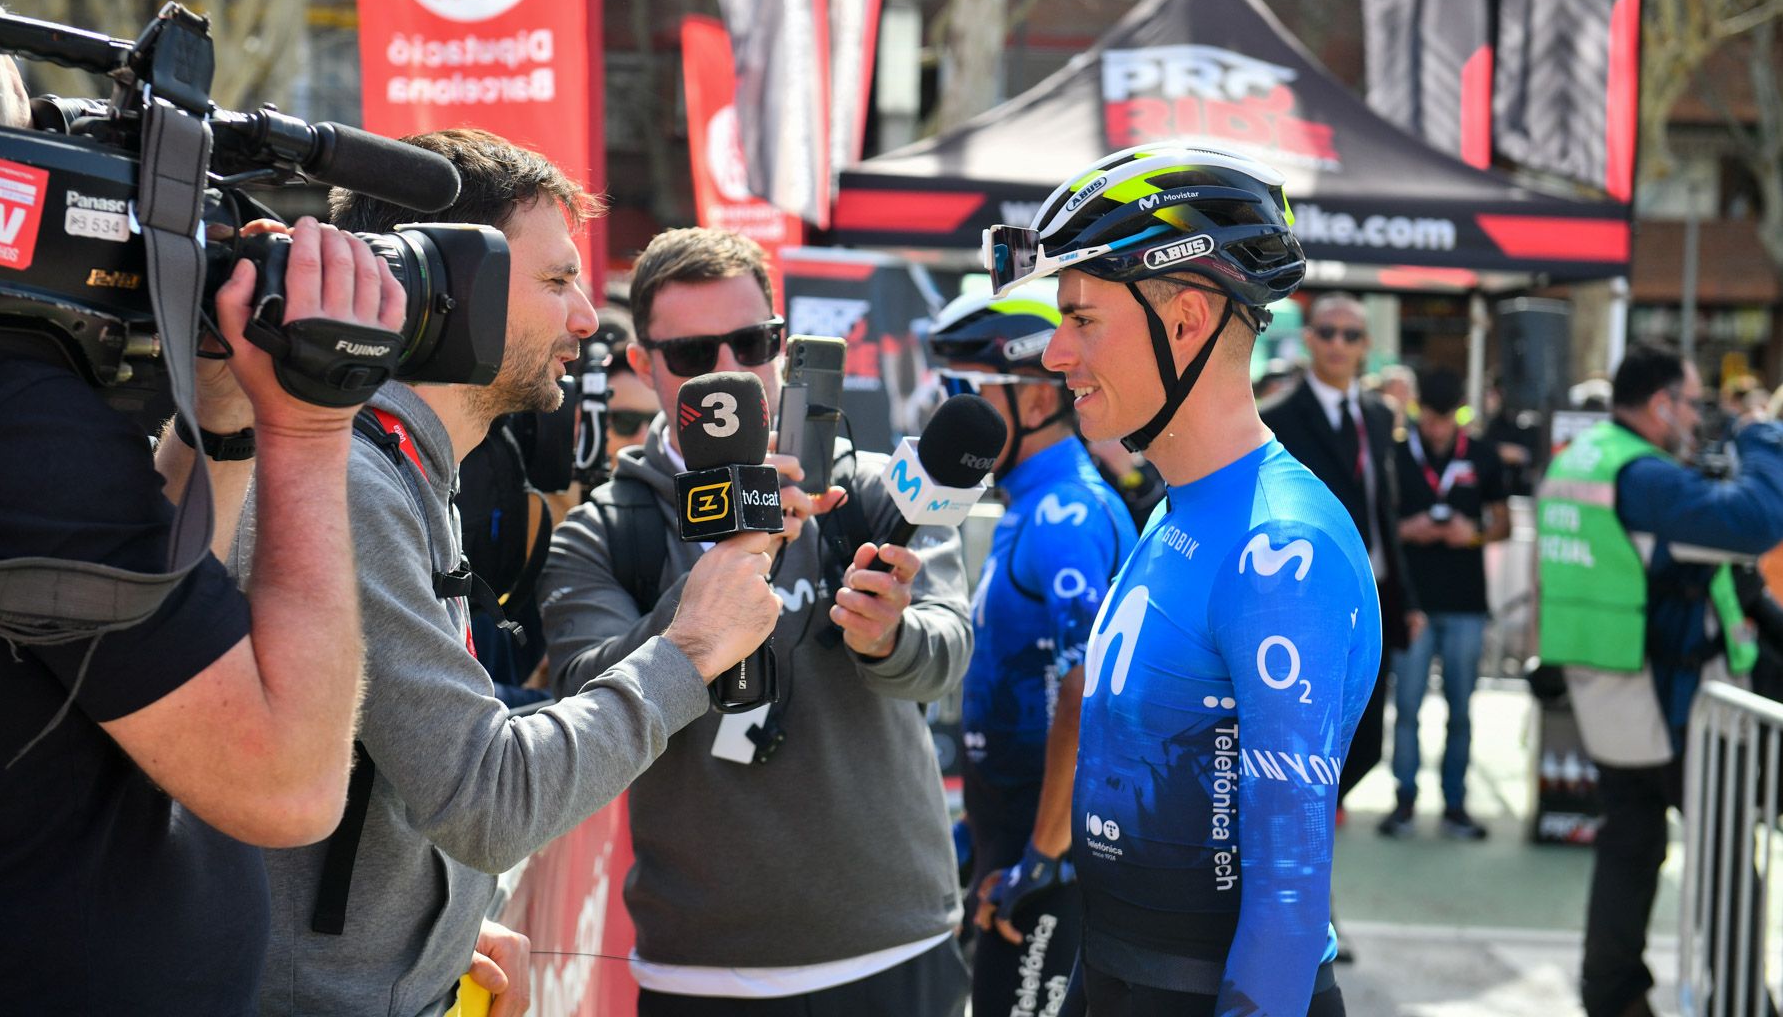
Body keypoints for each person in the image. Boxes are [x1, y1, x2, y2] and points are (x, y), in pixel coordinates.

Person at [227, 131, 790, 1017]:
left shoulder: (404, 468)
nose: (583, 320)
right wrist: (689, 651)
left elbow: (405, 770)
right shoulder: (353, 484)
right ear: (450, 284)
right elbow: (488, 800)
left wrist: (446, 932)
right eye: (558, 282)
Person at [0, 30, 405, 1012]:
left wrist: (219, 423)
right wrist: (308, 422)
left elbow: (143, 613)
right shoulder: (13, 420)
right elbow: (290, 788)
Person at [988, 141, 1381, 1016]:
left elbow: (1287, 899)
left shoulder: (1282, 545)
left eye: (1083, 319)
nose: (1055, 355)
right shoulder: (1179, 507)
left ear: (1188, 321)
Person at [539, 227, 973, 1016]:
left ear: (783, 340)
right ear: (644, 366)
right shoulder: (608, 530)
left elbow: (947, 654)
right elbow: (583, 701)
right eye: (695, 356)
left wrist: (890, 638)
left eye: (751, 342)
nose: (731, 374)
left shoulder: (870, 490)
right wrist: (727, 554)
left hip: (898, 946)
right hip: (702, 970)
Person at [1537, 342, 1783, 1017]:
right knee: (1728, 861)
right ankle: (1740, 1001)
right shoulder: (1641, 475)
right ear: (1661, 404)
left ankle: (1613, 996)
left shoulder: (1584, 457)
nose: (1698, 418)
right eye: (1693, 402)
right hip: (1674, 706)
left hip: (1611, 697)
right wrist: (1762, 436)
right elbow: (1755, 520)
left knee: (1630, 847)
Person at [926, 290, 1136, 1017]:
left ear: (1040, 399)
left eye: (966, 389)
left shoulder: (1066, 514)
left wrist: (1043, 858)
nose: (950, 410)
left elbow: (1091, 691)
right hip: (1013, 830)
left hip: (1045, 851)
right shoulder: (1029, 502)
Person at [1261, 293, 1425, 820]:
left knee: (1368, 740)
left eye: (1350, 335)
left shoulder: (1380, 416)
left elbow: (1385, 510)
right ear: (1308, 339)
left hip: (1375, 596)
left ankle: (1322, 818)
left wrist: (1408, 597)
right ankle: (1307, 855)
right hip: (1304, 603)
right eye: (1327, 332)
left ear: (1365, 347)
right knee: (1303, 743)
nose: (1338, 344)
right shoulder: (1276, 418)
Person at [1378, 368, 1510, 840]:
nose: (1436, 429)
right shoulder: (1395, 453)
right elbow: (1377, 519)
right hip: (1413, 603)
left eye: (1445, 419)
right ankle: (1405, 800)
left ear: (1459, 414)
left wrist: (1469, 533)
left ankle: (1455, 803)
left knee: (1461, 707)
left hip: (1465, 602)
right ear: (1418, 414)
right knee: (1407, 707)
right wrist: (1404, 530)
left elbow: (1504, 523)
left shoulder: (1481, 454)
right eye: (1429, 420)